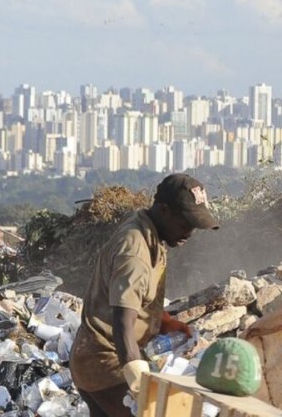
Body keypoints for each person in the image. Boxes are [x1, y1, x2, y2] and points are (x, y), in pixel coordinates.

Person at [69, 173, 219, 417]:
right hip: (107, 368)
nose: (189, 232)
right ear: (164, 210)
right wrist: (138, 381)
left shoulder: (151, 234)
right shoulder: (136, 251)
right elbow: (122, 321)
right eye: (185, 224)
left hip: (93, 361)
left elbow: (137, 301)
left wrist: (167, 323)